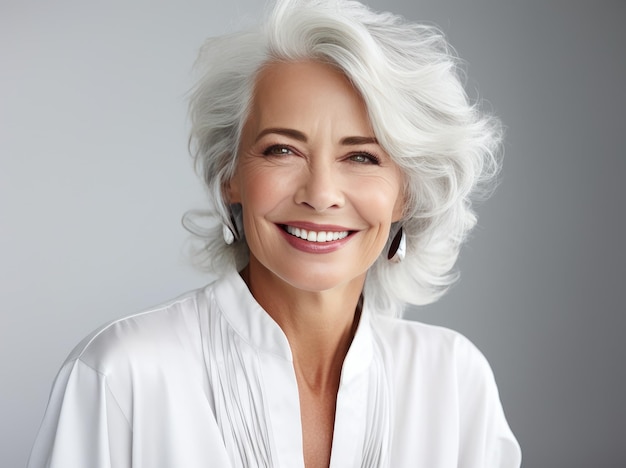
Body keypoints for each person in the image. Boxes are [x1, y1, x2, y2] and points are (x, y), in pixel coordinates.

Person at [28, 0, 521, 467]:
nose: (321, 193)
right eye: (282, 150)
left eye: (362, 157)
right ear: (230, 174)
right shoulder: (121, 374)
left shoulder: (454, 382)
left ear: (407, 194)